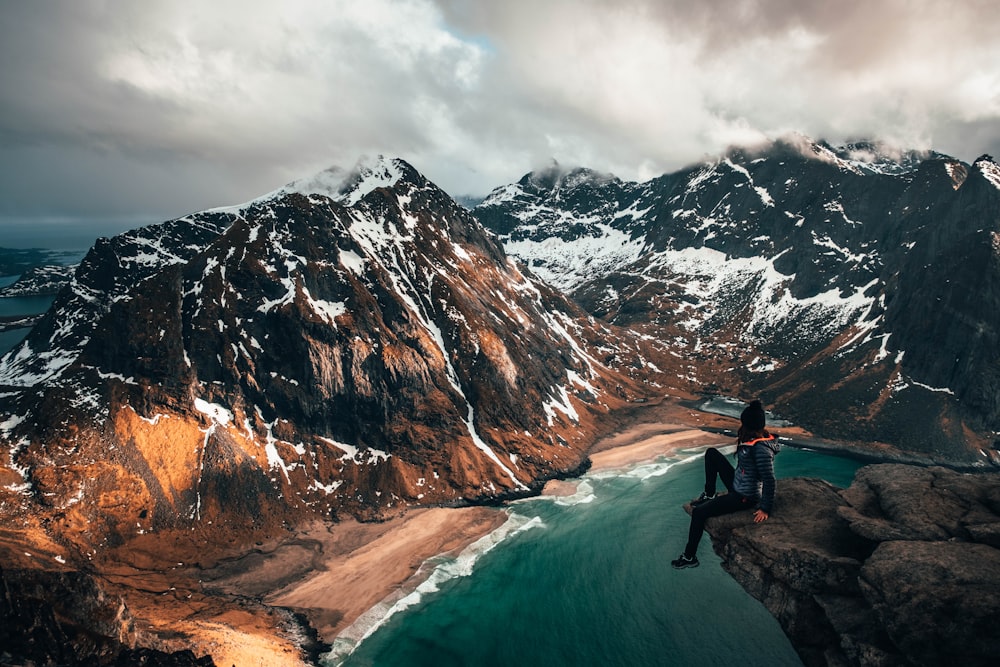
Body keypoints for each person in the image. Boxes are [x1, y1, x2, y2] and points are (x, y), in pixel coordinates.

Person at [671, 399, 780, 570]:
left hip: (744, 497)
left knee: (699, 513)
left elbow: (769, 479)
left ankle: (689, 557)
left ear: (749, 424)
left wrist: (765, 508)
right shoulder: (751, 440)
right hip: (738, 484)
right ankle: (709, 494)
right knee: (711, 454)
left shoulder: (761, 449)